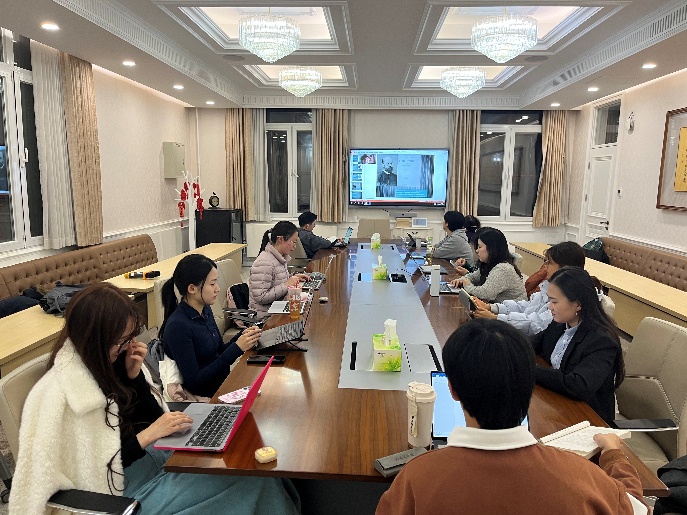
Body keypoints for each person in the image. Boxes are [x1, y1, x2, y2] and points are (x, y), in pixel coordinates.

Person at [10, 282, 301, 515]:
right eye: (121, 340)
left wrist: (134, 379)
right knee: (248, 479)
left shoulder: (112, 361)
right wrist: (148, 436)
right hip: (122, 492)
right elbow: (88, 469)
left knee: (248, 463)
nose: (129, 346)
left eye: (130, 338)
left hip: (156, 461)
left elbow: (152, 417)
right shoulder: (59, 394)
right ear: (95, 338)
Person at [376, 319, 647, 515]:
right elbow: (635, 508)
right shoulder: (583, 479)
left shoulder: (417, 478)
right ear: (530, 387)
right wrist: (613, 455)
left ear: (453, 390)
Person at [160, 254, 262, 398]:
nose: (218, 289)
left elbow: (218, 351)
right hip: (207, 398)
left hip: (223, 385)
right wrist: (237, 348)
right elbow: (195, 382)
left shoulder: (205, 309)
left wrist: (243, 337)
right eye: (212, 284)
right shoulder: (178, 327)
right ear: (192, 288)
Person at [532, 267, 625, 425]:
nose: (550, 307)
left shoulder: (602, 341)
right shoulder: (560, 323)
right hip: (558, 402)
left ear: (578, 304)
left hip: (588, 418)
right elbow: (533, 343)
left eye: (555, 302)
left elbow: (579, 385)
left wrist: (531, 369)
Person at [472, 241, 586, 335]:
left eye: (549, 263)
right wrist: (492, 308)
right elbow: (527, 307)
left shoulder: (567, 295)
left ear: (565, 267)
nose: (545, 266)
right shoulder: (549, 284)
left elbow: (536, 324)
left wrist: (496, 318)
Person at [449, 227, 526, 303]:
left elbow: (485, 294)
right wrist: (461, 280)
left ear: (491, 249)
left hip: (511, 310)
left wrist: (467, 285)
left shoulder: (502, 269)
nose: (477, 250)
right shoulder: (489, 264)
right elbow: (473, 277)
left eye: (480, 247)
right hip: (497, 307)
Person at [249, 220, 309, 315]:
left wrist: (294, 277)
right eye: (293, 242)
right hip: (266, 315)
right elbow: (260, 297)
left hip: (278, 307)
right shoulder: (264, 262)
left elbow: (276, 281)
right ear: (280, 239)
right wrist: (287, 284)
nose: (294, 247)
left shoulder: (279, 257)